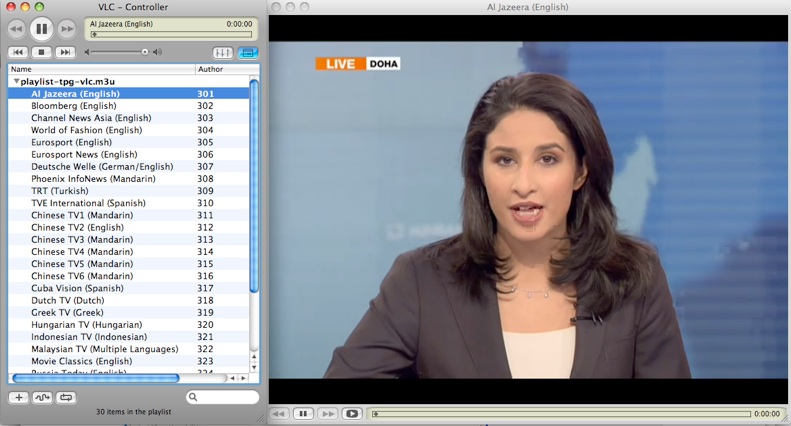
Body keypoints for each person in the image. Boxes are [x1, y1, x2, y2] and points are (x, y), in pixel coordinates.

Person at [324, 72, 691, 379]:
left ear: (581, 171)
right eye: (505, 160)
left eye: (548, 159)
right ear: (479, 171)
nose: (523, 184)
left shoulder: (634, 275)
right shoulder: (422, 279)